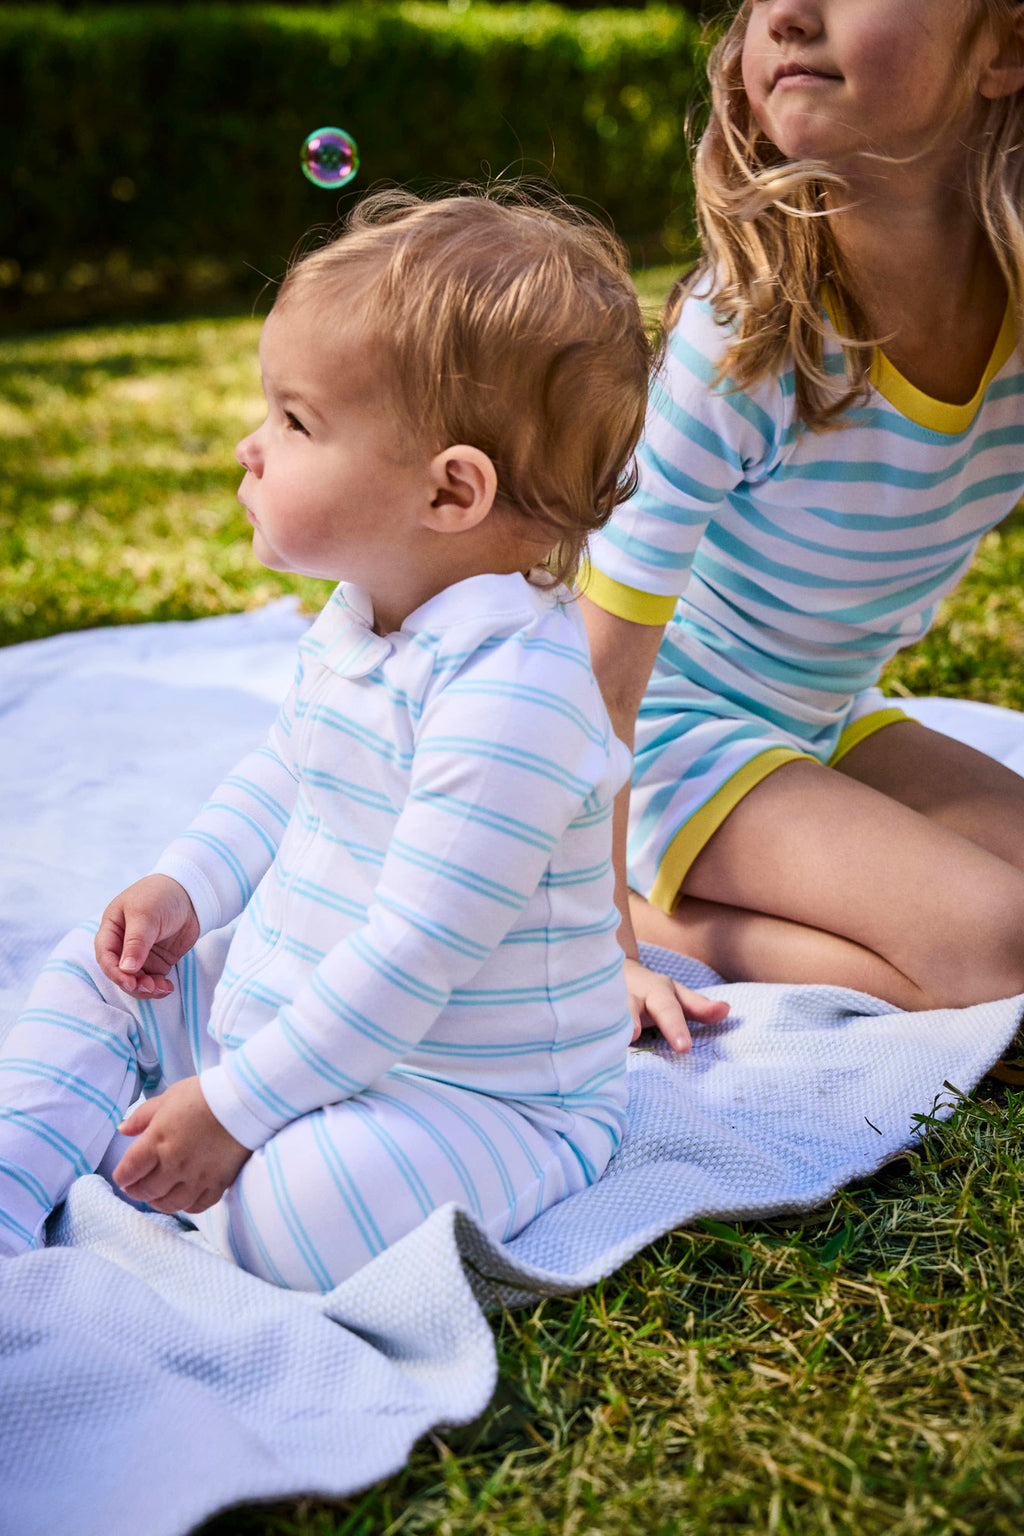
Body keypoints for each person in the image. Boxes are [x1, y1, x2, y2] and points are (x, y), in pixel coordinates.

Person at [0, 188, 726, 1285]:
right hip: (297, 1016)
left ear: (449, 492)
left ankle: (173, 1150)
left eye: (295, 422)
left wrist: (239, 1108)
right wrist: (186, 887)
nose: (250, 446)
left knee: (306, 1206)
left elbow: (411, 955)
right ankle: (20, 1176)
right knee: (100, 973)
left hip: (476, 1093)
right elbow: (284, 774)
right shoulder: (361, 619)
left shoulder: (517, 699)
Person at [580, 0, 1024, 1042]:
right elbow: (594, 675)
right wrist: (594, 941)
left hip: (822, 717)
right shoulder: (743, 336)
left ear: (1003, 49)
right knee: (1002, 953)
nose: (784, 12)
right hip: (659, 736)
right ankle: (658, 913)